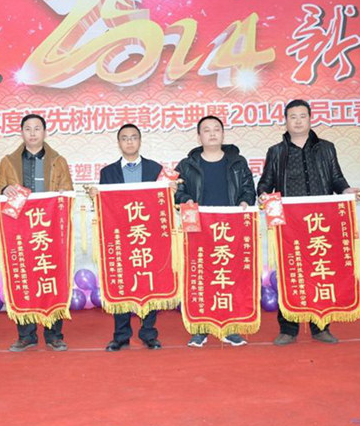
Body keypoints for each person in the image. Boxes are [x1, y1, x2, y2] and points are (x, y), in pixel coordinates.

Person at [257, 99, 360, 346]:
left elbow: (337, 179)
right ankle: (288, 328)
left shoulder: (326, 148)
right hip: (290, 225)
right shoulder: (276, 152)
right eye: (292, 117)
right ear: (285, 121)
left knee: (321, 271)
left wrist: (347, 190)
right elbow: (265, 183)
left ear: (310, 118)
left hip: (320, 223)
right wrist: (262, 194)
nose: (297, 121)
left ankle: (321, 326)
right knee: (290, 273)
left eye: (302, 116)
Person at [175, 115, 256, 348]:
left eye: (216, 129)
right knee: (200, 277)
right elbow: (177, 192)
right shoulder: (187, 165)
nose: (212, 133)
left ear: (223, 133)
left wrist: (245, 201)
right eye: (206, 130)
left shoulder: (237, 162)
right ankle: (200, 328)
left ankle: (230, 328)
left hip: (230, 229)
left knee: (230, 276)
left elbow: (248, 189)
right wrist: (187, 199)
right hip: (198, 229)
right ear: (199, 136)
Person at [0, 114, 73, 352]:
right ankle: (26, 334)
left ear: (45, 132)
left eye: (37, 128)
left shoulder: (58, 161)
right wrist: (5, 189)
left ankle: (54, 334)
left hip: (49, 230)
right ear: (21, 132)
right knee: (23, 278)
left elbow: (68, 191)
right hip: (20, 232)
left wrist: (60, 197)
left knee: (52, 277)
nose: (32, 133)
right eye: (27, 129)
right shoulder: (8, 161)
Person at [95, 123, 166, 352]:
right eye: (124, 138)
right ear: (119, 143)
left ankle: (149, 333)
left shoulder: (156, 169)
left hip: (148, 237)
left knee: (149, 283)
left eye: (133, 137)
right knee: (121, 283)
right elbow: (105, 207)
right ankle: (121, 335)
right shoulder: (108, 173)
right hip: (121, 238)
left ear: (140, 141)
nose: (129, 142)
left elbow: (162, 203)